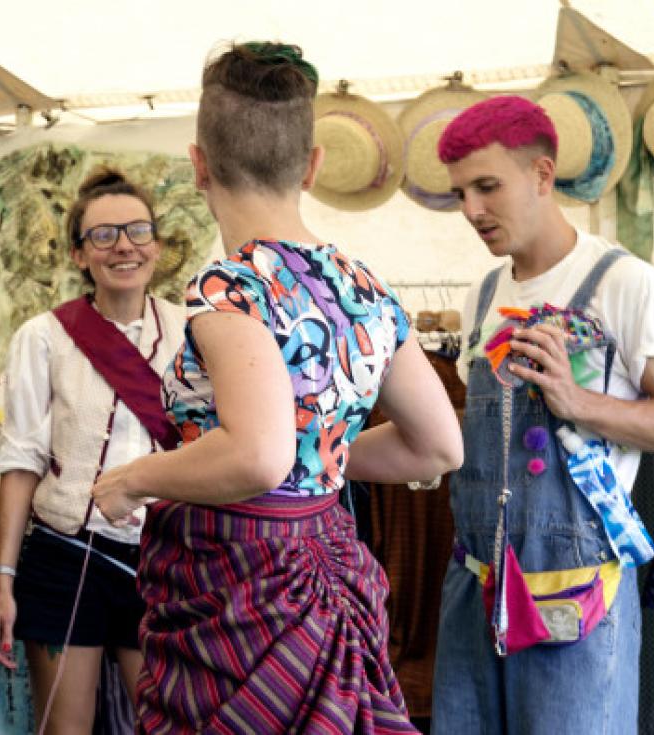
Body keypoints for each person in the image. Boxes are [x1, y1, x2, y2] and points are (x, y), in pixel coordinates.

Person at [91, 42, 464, 733]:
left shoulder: (228, 286)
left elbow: (257, 456)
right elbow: (439, 447)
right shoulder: (363, 286)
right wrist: (320, 451)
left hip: (240, 583)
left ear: (199, 164)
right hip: (326, 558)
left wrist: (133, 479)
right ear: (313, 164)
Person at [430, 95, 654, 734]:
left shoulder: (624, 283)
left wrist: (577, 402)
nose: (471, 210)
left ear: (542, 174)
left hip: (574, 596)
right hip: (476, 587)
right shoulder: (482, 296)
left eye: (487, 187)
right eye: (460, 193)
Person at [0, 169, 185, 733]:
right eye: (103, 235)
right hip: (66, 557)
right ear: (78, 254)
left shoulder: (194, 331)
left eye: (138, 231)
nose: (124, 246)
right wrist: (3, 580)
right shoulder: (43, 337)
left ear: (157, 245)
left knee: (163, 724)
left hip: (165, 559)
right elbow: (20, 461)